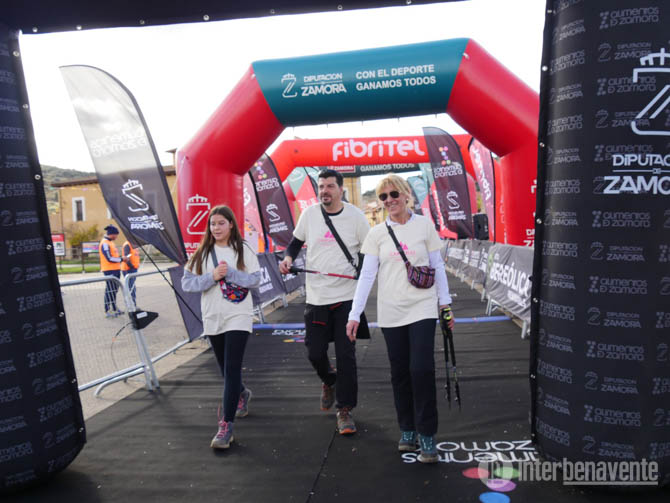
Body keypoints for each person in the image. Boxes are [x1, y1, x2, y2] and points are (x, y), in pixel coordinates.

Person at [345, 174, 455, 463]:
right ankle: (407, 429)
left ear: (407, 195)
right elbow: (366, 276)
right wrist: (354, 314)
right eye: (383, 196)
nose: (389, 200)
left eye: (394, 194)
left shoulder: (424, 226)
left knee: (421, 369)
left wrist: (445, 304)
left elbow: (437, 267)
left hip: (422, 308)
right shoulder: (377, 234)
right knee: (400, 373)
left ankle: (427, 433)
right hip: (391, 312)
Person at [279, 169, 370, 435]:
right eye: (321, 186)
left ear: (341, 189)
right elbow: (294, 244)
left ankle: (345, 410)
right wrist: (288, 259)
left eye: (330, 186)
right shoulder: (309, 215)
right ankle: (329, 381)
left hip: (347, 298)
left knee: (346, 355)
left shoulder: (356, 216)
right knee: (315, 353)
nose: (324, 191)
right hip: (317, 297)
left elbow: (368, 251)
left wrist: (362, 269)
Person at [181, 205, 260, 450]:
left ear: (231, 224)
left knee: (232, 368)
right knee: (226, 370)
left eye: (221, 223)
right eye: (212, 224)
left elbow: (255, 279)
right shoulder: (202, 252)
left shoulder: (243, 249)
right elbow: (187, 283)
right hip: (213, 317)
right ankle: (242, 393)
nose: (216, 228)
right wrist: (212, 277)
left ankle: (226, 426)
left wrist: (232, 274)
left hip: (238, 315)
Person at [99, 224, 123, 318]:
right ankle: (107, 309)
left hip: (116, 269)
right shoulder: (105, 243)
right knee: (110, 290)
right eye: (116, 234)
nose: (117, 236)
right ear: (112, 234)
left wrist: (120, 259)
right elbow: (109, 258)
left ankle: (114, 308)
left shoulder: (111, 242)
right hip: (109, 270)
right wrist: (122, 259)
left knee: (114, 290)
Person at [121, 239, 140, 307]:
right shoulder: (127, 244)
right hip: (128, 269)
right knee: (130, 288)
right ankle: (131, 305)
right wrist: (132, 266)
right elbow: (126, 257)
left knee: (132, 287)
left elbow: (135, 256)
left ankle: (133, 304)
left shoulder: (134, 245)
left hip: (133, 269)